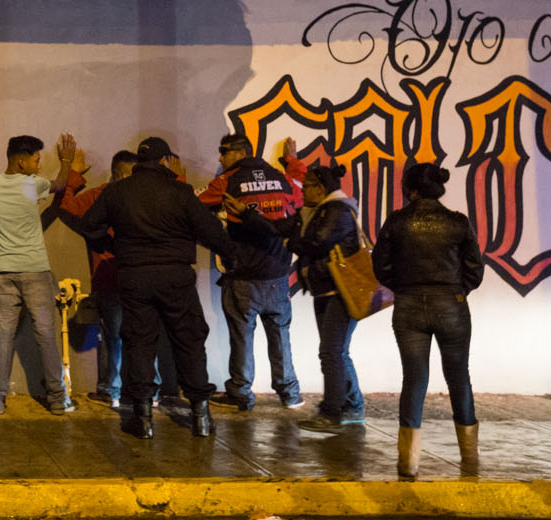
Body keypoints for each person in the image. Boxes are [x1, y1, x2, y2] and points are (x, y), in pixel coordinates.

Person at [78, 136, 237, 439]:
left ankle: (143, 417)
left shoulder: (117, 192)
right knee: (189, 341)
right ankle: (201, 416)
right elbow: (212, 232)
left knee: (139, 343)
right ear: (165, 161)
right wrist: (232, 256)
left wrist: (112, 245)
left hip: (134, 275)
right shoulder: (180, 192)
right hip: (175, 275)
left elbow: (89, 226)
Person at [231, 161, 367, 433]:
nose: (302, 192)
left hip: (341, 293)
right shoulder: (312, 211)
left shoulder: (337, 211)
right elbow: (279, 228)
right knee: (338, 352)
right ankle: (353, 407)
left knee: (331, 353)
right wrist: (248, 214)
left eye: (307, 187)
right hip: (326, 291)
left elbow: (318, 242)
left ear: (321, 188)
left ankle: (332, 412)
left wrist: (289, 243)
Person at [372, 161, 484, 479]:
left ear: (410, 189)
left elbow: (380, 266)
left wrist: (405, 289)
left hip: (408, 307)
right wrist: (454, 291)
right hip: (452, 306)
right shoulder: (457, 223)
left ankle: (408, 463)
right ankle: (469, 458)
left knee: (414, 380)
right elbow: (475, 269)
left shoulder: (396, 222)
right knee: (459, 378)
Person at [0, 129, 73, 415]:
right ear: (21, 163)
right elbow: (60, 185)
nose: (39, 165)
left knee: (3, 335)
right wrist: (67, 160)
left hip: (3, 273)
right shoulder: (33, 185)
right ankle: (57, 399)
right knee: (46, 333)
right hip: (35, 270)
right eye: (36, 160)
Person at [198, 133, 302, 411]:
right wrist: (291, 163)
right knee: (280, 335)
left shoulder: (227, 182)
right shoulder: (282, 179)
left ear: (240, 152)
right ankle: (290, 393)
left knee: (242, 336)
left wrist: (177, 181)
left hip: (243, 275)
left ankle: (241, 393)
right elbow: (301, 190)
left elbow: (194, 206)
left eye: (224, 152)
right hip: (278, 274)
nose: (220, 158)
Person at [60, 148, 154, 409]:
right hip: (139, 277)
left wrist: (74, 175)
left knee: (113, 337)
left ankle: (111, 389)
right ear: (123, 174)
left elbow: (65, 206)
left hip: (110, 278)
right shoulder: (145, 194)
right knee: (144, 335)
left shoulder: (99, 194)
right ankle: (150, 389)